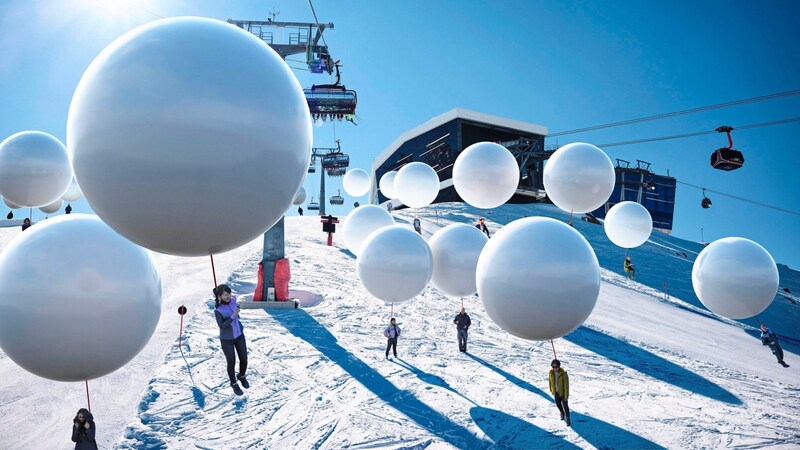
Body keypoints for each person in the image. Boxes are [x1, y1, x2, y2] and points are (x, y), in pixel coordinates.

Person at [213, 284, 249, 395]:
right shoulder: (218, 311)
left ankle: (241, 376)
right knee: (231, 362)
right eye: (225, 295)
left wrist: (240, 304)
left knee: (244, 359)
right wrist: (233, 316)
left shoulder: (233, 300)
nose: (228, 296)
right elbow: (222, 326)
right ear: (220, 296)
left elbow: (238, 299)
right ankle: (233, 383)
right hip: (227, 340)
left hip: (239, 336)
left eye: (229, 294)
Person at [548, 359, 570, 426]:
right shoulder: (551, 373)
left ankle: (568, 418)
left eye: (556, 366)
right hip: (556, 392)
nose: (555, 368)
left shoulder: (564, 374)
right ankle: (561, 412)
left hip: (563, 393)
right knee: (558, 404)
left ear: (559, 366)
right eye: (553, 367)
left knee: (565, 405)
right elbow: (550, 381)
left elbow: (566, 385)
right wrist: (551, 389)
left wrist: (566, 396)